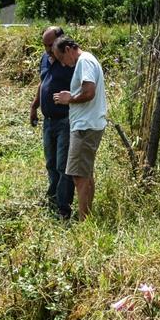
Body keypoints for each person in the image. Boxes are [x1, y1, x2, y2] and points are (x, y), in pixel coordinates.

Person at [52, 36, 107, 221]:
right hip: (88, 125)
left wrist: (70, 99)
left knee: (79, 176)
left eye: (62, 58)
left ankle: (85, 221)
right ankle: (87, 218)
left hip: (85, 127)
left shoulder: (84, 61)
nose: (65, 65)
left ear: (68, 49)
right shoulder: (88, 60)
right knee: (84, 174)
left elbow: (89, 92)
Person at [30, 26, 75, 219]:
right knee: (50, 163)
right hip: (48, 121)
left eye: (50, 45)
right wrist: (34, 106)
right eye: (45, 45)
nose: (48, 49)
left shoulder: (70, 61)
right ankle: (53, 198)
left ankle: (63, 208)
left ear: (60, 40)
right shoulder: (45, 59)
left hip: (65, 120)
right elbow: (43, 81)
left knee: (63, 165)